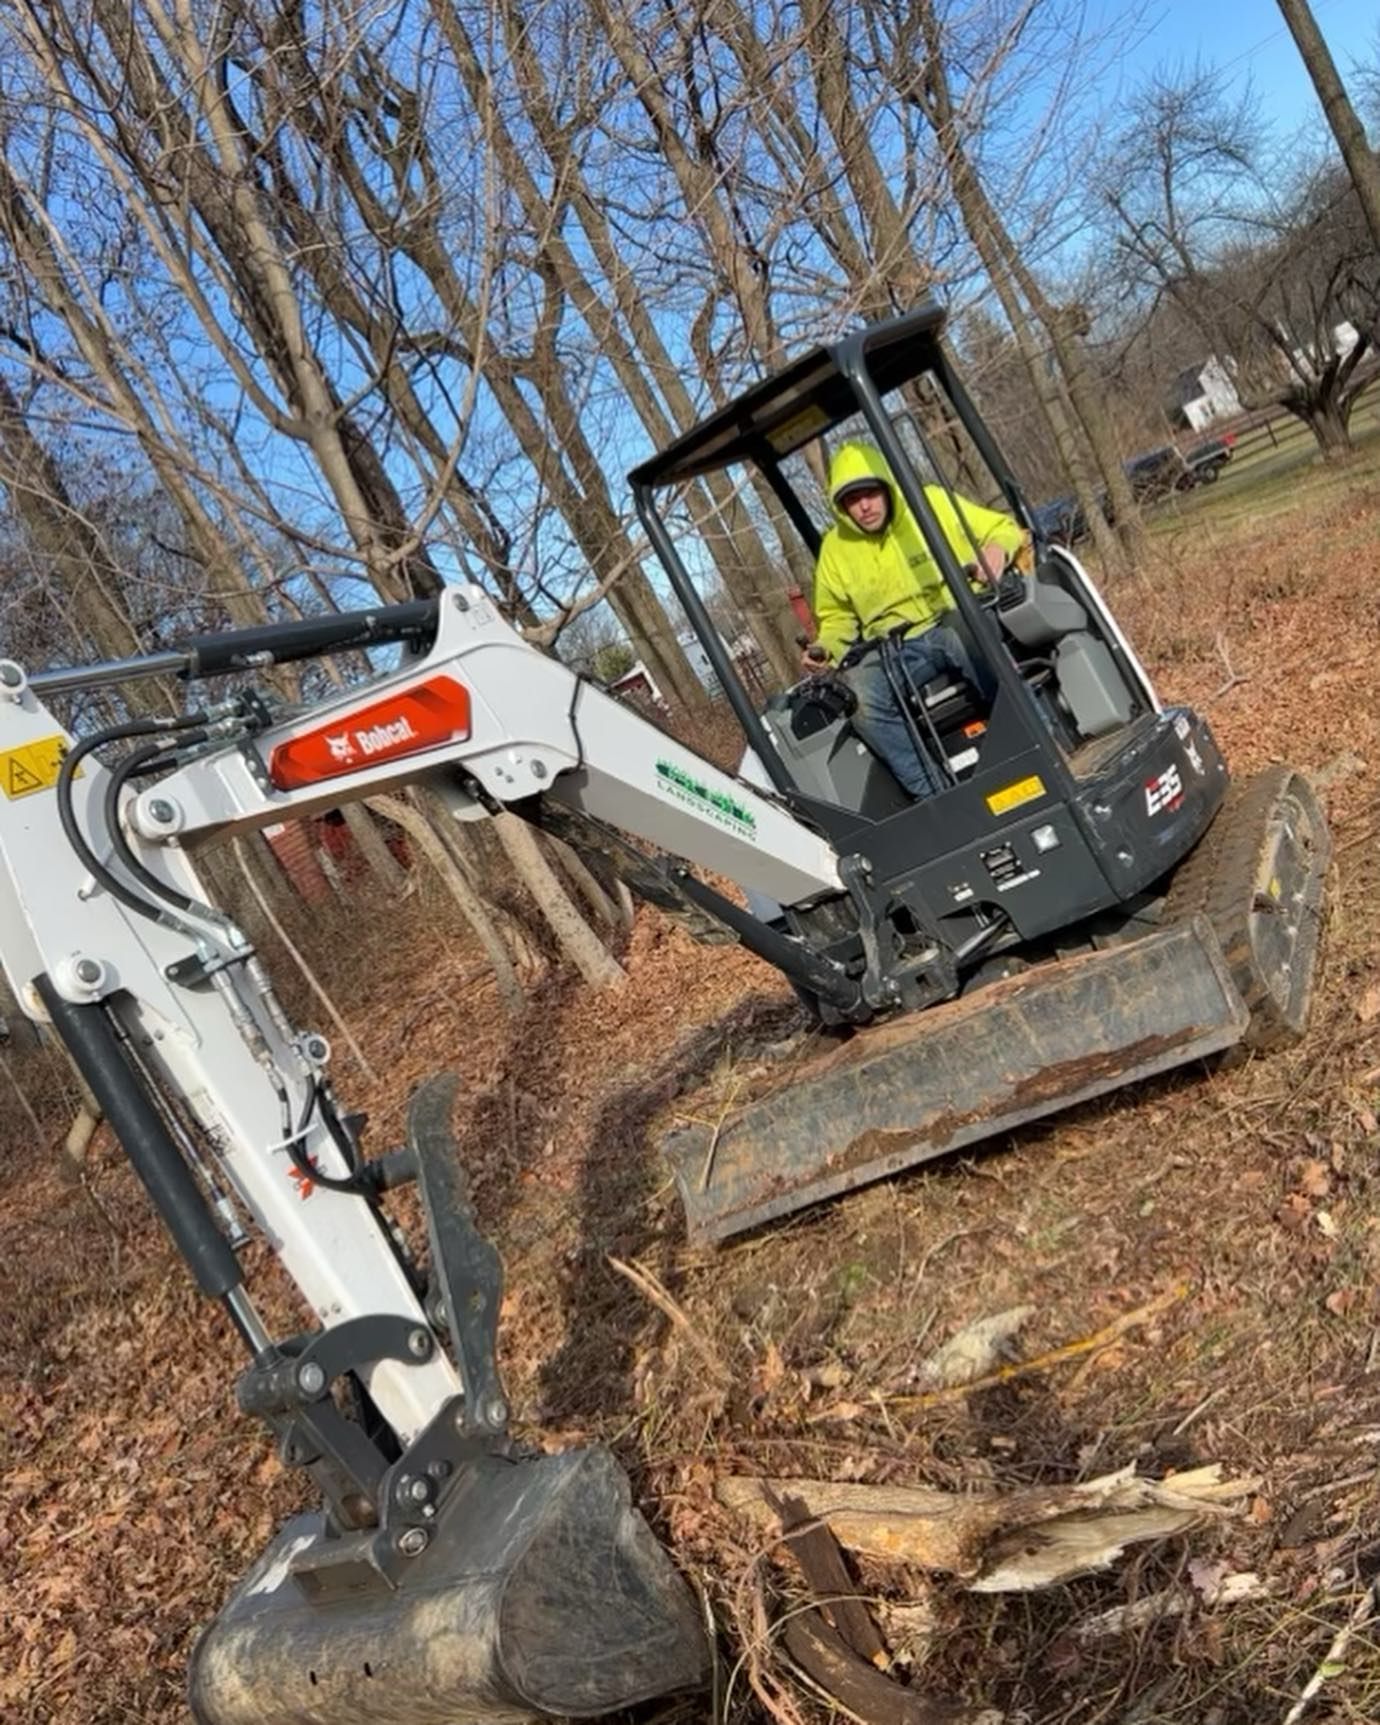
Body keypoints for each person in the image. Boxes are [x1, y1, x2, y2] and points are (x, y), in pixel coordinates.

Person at [802, 441, 1027, 800]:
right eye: (852, 499)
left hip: (952, 618)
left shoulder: (932, 503)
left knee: (971, 644)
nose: (864, 506)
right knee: (858, 695)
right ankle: (937, 796)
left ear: (887, 488)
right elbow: (837, 617)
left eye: (870, 493)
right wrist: (826, 648)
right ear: (841, 506)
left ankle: (1031, 742)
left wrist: (996, 550)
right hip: (895, 650)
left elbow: (1002, 528)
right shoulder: (835, 548)